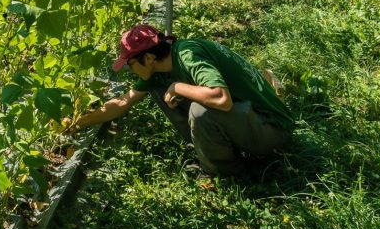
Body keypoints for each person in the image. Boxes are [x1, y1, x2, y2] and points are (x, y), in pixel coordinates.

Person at [72, 24, 295, 176]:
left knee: (201, 110)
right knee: (163, 91)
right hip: (248, 121)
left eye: (130, 64)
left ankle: (222, 172)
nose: (130, 71)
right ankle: (206, 150)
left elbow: (222, 99)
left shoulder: (188, 55)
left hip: (272, 130)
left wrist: (178, 86)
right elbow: (123, 102)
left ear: (148, 58)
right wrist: (78, 122)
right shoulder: (160, 69)